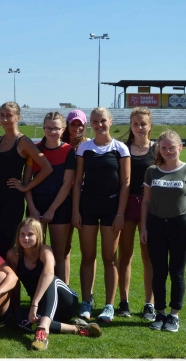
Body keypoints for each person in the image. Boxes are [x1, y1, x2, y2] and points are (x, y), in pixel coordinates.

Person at [7, 218, 102, 351]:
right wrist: (16, 308)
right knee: (17, 318)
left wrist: (34, 303)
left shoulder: (45, 250)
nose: (26, 238)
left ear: (38, 235)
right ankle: (77, 328)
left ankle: (42, 333)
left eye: (30, 234)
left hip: (66, 303)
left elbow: (49, 274)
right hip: (44, 308)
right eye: (22, 234)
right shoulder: (13, 255)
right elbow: (15, 284)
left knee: (49, 279)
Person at [72, 107, 130, 323]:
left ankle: (109, 305)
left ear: (110, 121)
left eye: (102, 120)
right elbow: (77, 182)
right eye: (95, 121)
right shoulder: (84, 148)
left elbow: (125, 183)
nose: (99, 124)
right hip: (87, 208)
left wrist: (120, 214)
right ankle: (86, 302)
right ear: (91, 124)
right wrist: (76, 210)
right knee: (88, 257)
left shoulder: (120, 149)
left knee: (109, 258)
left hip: (111, 209)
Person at [141, 130, 186, 333]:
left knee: (177, 272)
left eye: (171, 147)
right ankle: (160, 313)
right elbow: (146, 201)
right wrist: (144, 226)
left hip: (180, 226)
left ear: (180, 147)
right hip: (156, 225)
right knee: (159, 271)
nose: (167, 151)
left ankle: (174, 315)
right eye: (163, 147)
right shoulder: (152, 171)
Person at [0, 102, 52, 257]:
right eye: (2, 115)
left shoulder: (23, 141)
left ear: (18, 117)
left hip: (12, 200)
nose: (4, 119)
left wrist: (26, 186)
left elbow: (47, 168)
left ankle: (12, 280)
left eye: (9, 115)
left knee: (8, 245)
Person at [24, 112, 75, 283]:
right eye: (49, 128)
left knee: (58, 255)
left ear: (63, 129)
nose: (52, 131)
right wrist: (31, 207)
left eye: (56, 128)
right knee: (36, 253)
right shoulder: (35, 148)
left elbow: (67, 184)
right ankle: (39, 294)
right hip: (36, 204)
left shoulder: (68, 151)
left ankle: (63, 296)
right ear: (43, 128)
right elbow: (27, 182)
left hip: (59, 206)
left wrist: (52, 210)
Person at [118, 107, 156, 319]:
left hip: (150, 207)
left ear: (150, 125)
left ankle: (148, 303)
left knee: (148, 256)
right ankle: (124, 301)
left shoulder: (157, 149)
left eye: (143, 124)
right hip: (126, 204)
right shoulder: (123, 148)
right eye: (135, 124)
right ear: (130, 126)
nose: (140, 127)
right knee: (125, 255)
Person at [61, 109, 94, 306]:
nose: (77, 127)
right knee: (64, 247)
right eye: (73, 124)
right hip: (64, 198)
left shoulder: (89, 145)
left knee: (86, 249)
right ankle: (63, 289)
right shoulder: (61, 144)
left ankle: (87, 294)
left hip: (84, 199)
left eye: (80, 124)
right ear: (67, 125)